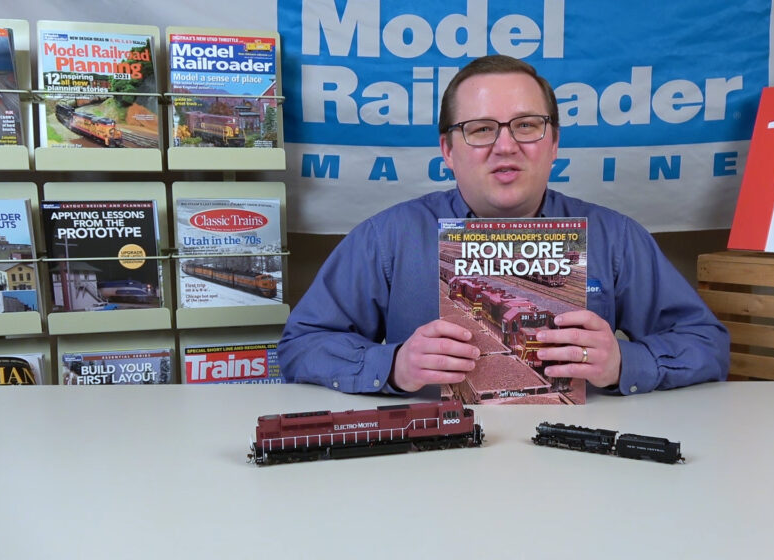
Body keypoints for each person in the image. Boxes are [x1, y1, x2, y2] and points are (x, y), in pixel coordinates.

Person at [277, 55, 728, 395]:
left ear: (554, 144)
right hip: (425, 462)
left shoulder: (617, 238)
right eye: (480, 129)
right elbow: (301, 345)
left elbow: (708, 344)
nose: (506, 146)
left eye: (527, 125)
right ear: (448, 150)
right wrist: (392, 364)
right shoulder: (386, 238)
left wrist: (625, 364)